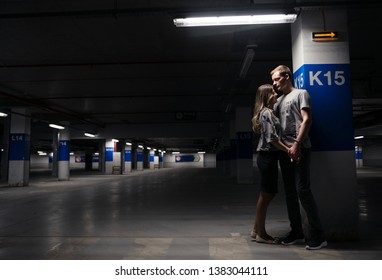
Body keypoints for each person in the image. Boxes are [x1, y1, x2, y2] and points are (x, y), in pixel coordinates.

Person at [270, 65, 327, 250]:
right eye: (273, 81)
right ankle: (296, 231)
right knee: (290, 192)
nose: (275, 83)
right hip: (284, 150)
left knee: (303, 190)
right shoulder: (278, 100)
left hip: (299, 148)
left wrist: (297, 144)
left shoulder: (301, 93)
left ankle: (318, 235)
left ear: (287, 76)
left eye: (277, 79)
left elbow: (307, 119)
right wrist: (272, 100)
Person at [250, 84, 290, 244]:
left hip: (269, 157)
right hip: (267, 157)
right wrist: (289, 150)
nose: (276, 94)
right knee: (266, 195)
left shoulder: (269, 112)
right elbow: (272, 139)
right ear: (266, 96)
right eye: (273, 92)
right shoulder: (266, 113)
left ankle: (255, 230)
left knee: (266, 194)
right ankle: (262, 234)